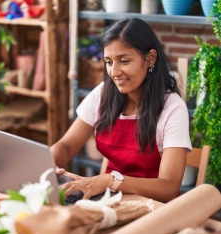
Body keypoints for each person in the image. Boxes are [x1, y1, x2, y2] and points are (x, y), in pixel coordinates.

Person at [51, 17, 192, 203]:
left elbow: (168, 187)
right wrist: (47, 164)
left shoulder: (172, 107)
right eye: (109, 62)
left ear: (150, 59)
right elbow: (67, 146)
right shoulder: (102, 94)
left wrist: (111, 181)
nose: (114, 72)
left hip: (152, 206)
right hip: (108, 198)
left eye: (124, 61)